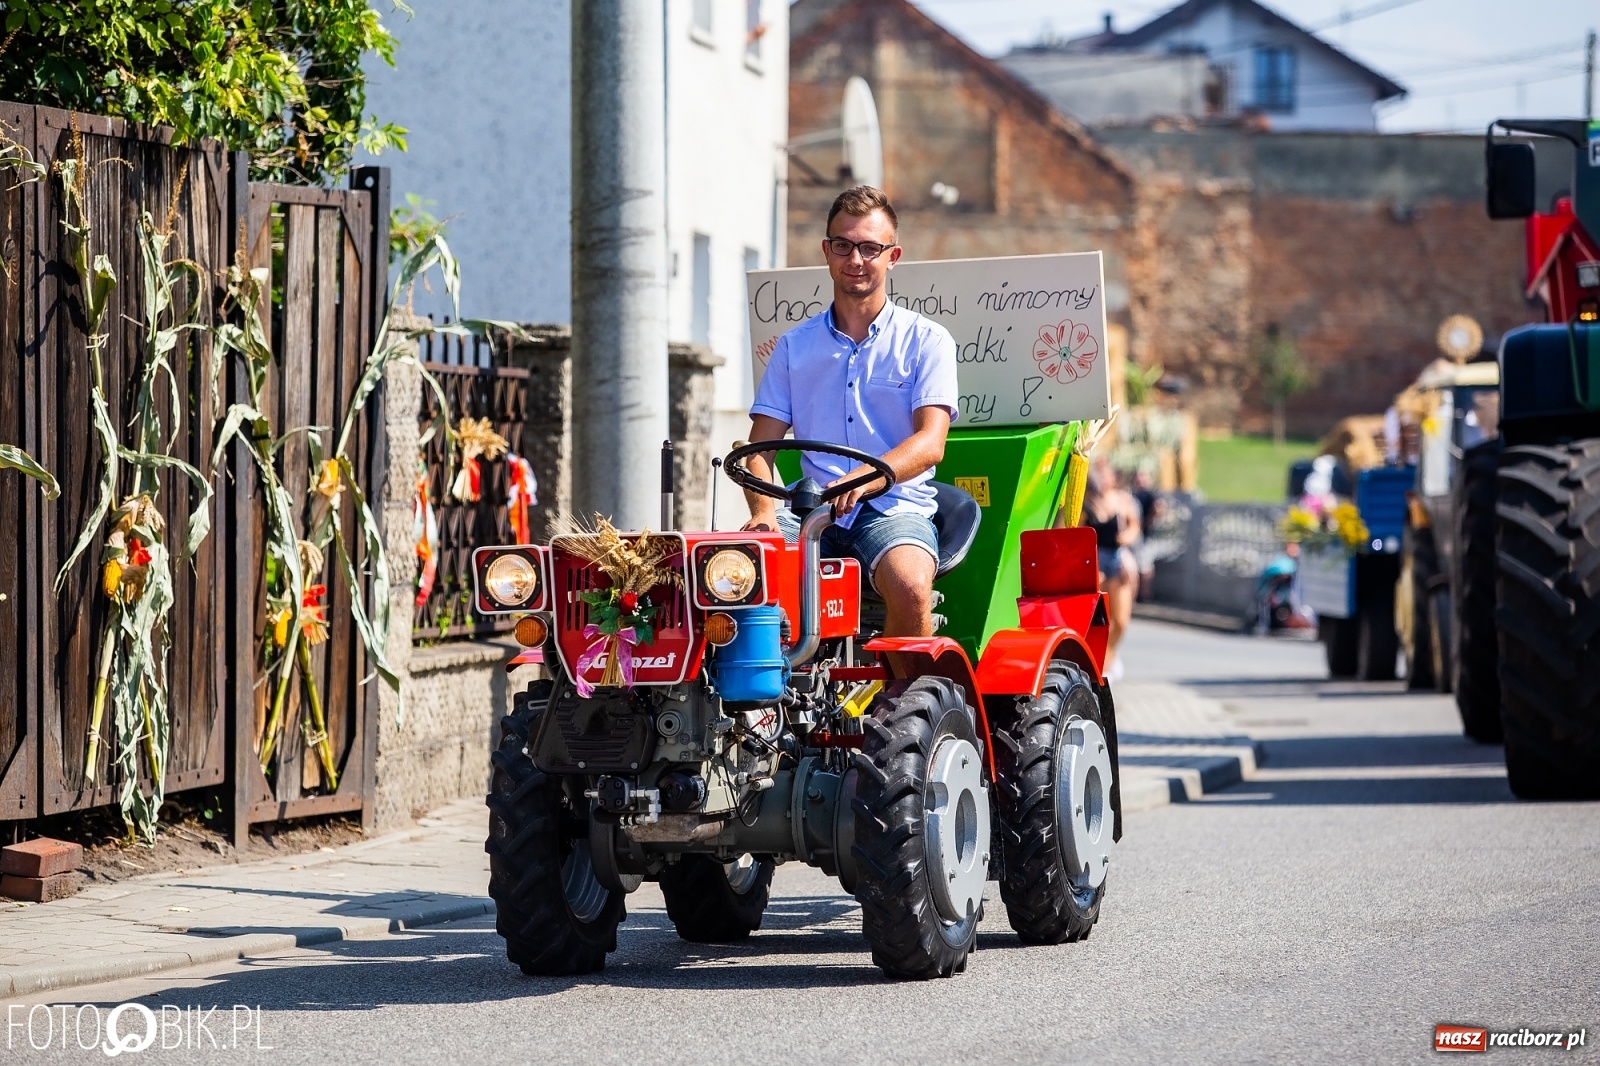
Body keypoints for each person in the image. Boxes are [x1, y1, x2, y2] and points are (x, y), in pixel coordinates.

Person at [741, 186, 959, 642]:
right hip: (809, 513)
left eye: (870, 248)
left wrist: (866, 478)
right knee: (734, 575)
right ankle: (766, 684)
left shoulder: (927, 340)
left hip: (893, 510)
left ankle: (905, 684)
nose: (855, 259)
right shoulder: (793, 347)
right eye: (843, 245)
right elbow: (759, 449)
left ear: (893, 256)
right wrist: (764, 513)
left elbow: (930, 442)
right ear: (826, 251)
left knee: (910, 586)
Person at [1081, 463, 1140, 680]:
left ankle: (1110, 657)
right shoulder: (1087, 502)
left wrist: (1126, 537)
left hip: (1115, 557)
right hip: (1095, 558)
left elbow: (1134, 526)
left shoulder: (1121, 499)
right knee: (1100, 619)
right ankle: (1100, 665)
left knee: (1121, 621)